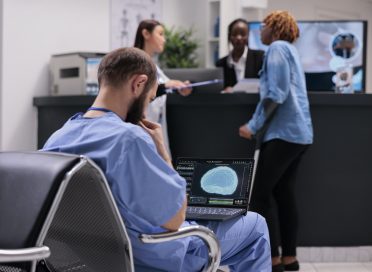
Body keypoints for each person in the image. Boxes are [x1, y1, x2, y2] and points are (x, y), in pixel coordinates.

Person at [42, 47, 271, 272]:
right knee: (257, 226)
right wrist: (162, 150)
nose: (145, 110)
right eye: (149, 99)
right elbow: (175, 218)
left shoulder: (58, 138)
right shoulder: (129, 139)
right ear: (138, 84)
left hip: (91, 260)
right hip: (151, 258)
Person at [238, 11, 313, 272]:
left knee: (259, 197)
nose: (260, 30)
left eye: (265, 25)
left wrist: (253, 125)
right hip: (299, 135)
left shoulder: (277, 48)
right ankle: (289, 260)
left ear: (276, 28)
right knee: (283, 195)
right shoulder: (289, 50)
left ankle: (271, 261)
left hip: (283, 134)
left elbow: (276, 93)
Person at [133, 19, 192, 153]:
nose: (164, 40)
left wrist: (180, 88)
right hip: (140, 127)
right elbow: (141, 91)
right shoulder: (134, 62)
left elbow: (163, 88)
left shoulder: (153, 66)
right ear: (146, 34)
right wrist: (166, 86)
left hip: (154, 127)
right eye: (160, 34)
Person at [216, 18, 264, 92]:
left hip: (254, 102)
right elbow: (218, 89)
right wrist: (224, 91)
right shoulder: (221, 63)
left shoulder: (260, 57)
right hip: (231, 102)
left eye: (243, 34)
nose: (238, 38)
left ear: (248, 36)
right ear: (229, 37)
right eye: (234, 34)